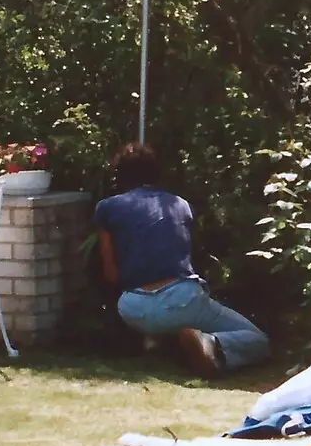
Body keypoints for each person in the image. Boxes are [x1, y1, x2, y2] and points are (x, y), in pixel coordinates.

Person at [94, 143, 270, 375]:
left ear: (121, 176)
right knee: (259, 340)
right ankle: (211, 344)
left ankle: (159, 342)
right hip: (183, 301)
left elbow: (111, 274)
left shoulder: (107, 208)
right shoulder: (181, 205)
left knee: (159, 307)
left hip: (133, 307)